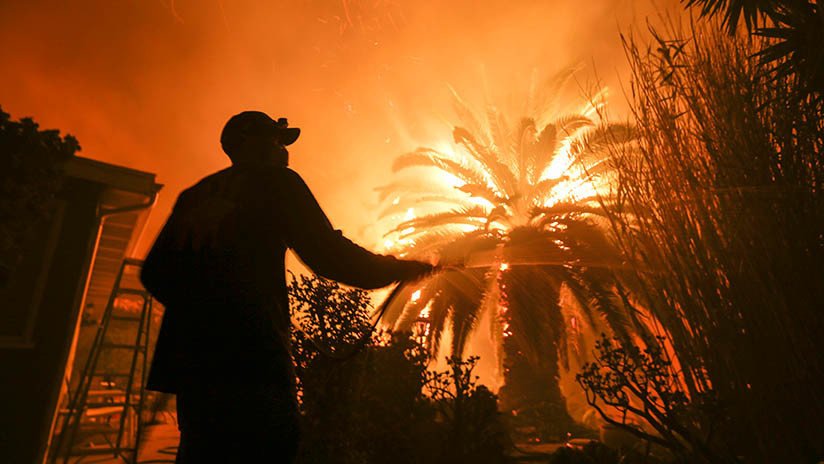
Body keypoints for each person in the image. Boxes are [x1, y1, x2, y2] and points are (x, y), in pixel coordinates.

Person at [140, 110, 433, 463]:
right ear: (251, 143)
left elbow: (154, 274)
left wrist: (201, 310)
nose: (284, 150)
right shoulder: (277, 183)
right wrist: (401, 269)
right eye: (277, 140)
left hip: (197, 371)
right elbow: (329, 254)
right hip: (254, 359)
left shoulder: (195, 196)